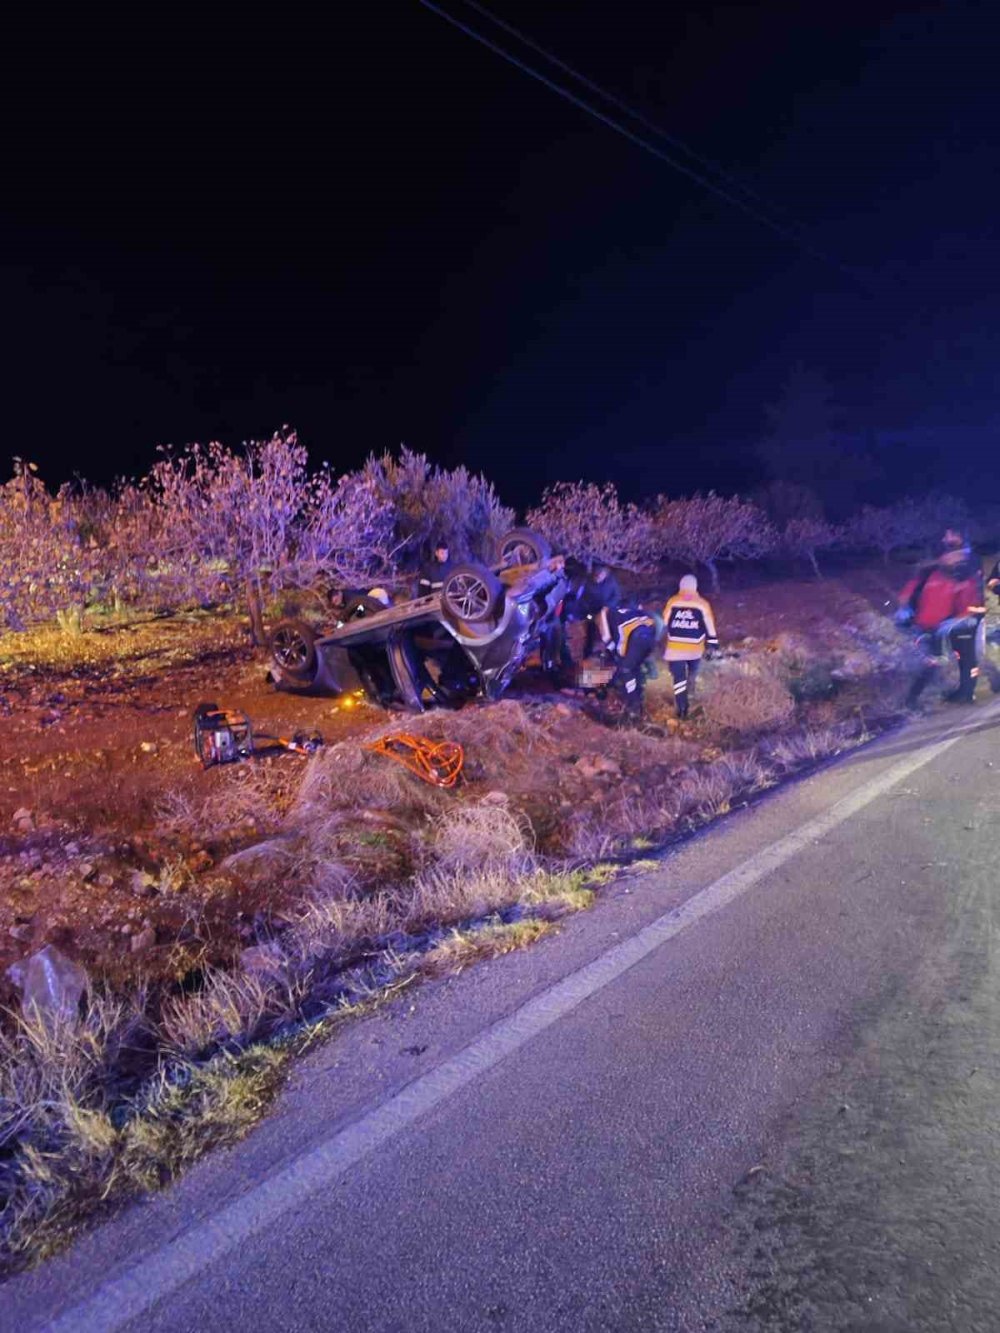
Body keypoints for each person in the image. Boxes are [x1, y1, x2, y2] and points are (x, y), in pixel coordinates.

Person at [897, 531, 985, 706]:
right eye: (954, 556)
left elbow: (968, 604)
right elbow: (907, 593)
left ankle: (966, 694)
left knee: (966, 659)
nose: (957, 560)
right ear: (943, 558)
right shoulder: (928, 575)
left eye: (960, 557)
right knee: (932, 663)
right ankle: (911, 699)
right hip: (926, 627)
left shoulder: (964, 578)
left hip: (949, 627)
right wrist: (904, 608)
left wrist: (958, 620)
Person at [661, 574, 719, 718]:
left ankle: (682, 707)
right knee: (692, 672)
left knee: (678, 677)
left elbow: (664, 622)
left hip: (675, 648)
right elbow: (709, 625)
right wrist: (713, 642)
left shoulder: (673, 601)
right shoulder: (702, 604)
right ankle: (691, 691)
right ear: (695, 587)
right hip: (695, 648)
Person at [595, 600, 658, 718]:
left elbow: (608, 637)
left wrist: (616, 654)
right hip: (650, 637)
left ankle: (633, 707)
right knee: (635, 667)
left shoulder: (610, 614)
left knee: (626, 670)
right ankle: (639, 696)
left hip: (636, 638)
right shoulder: (637, 611)